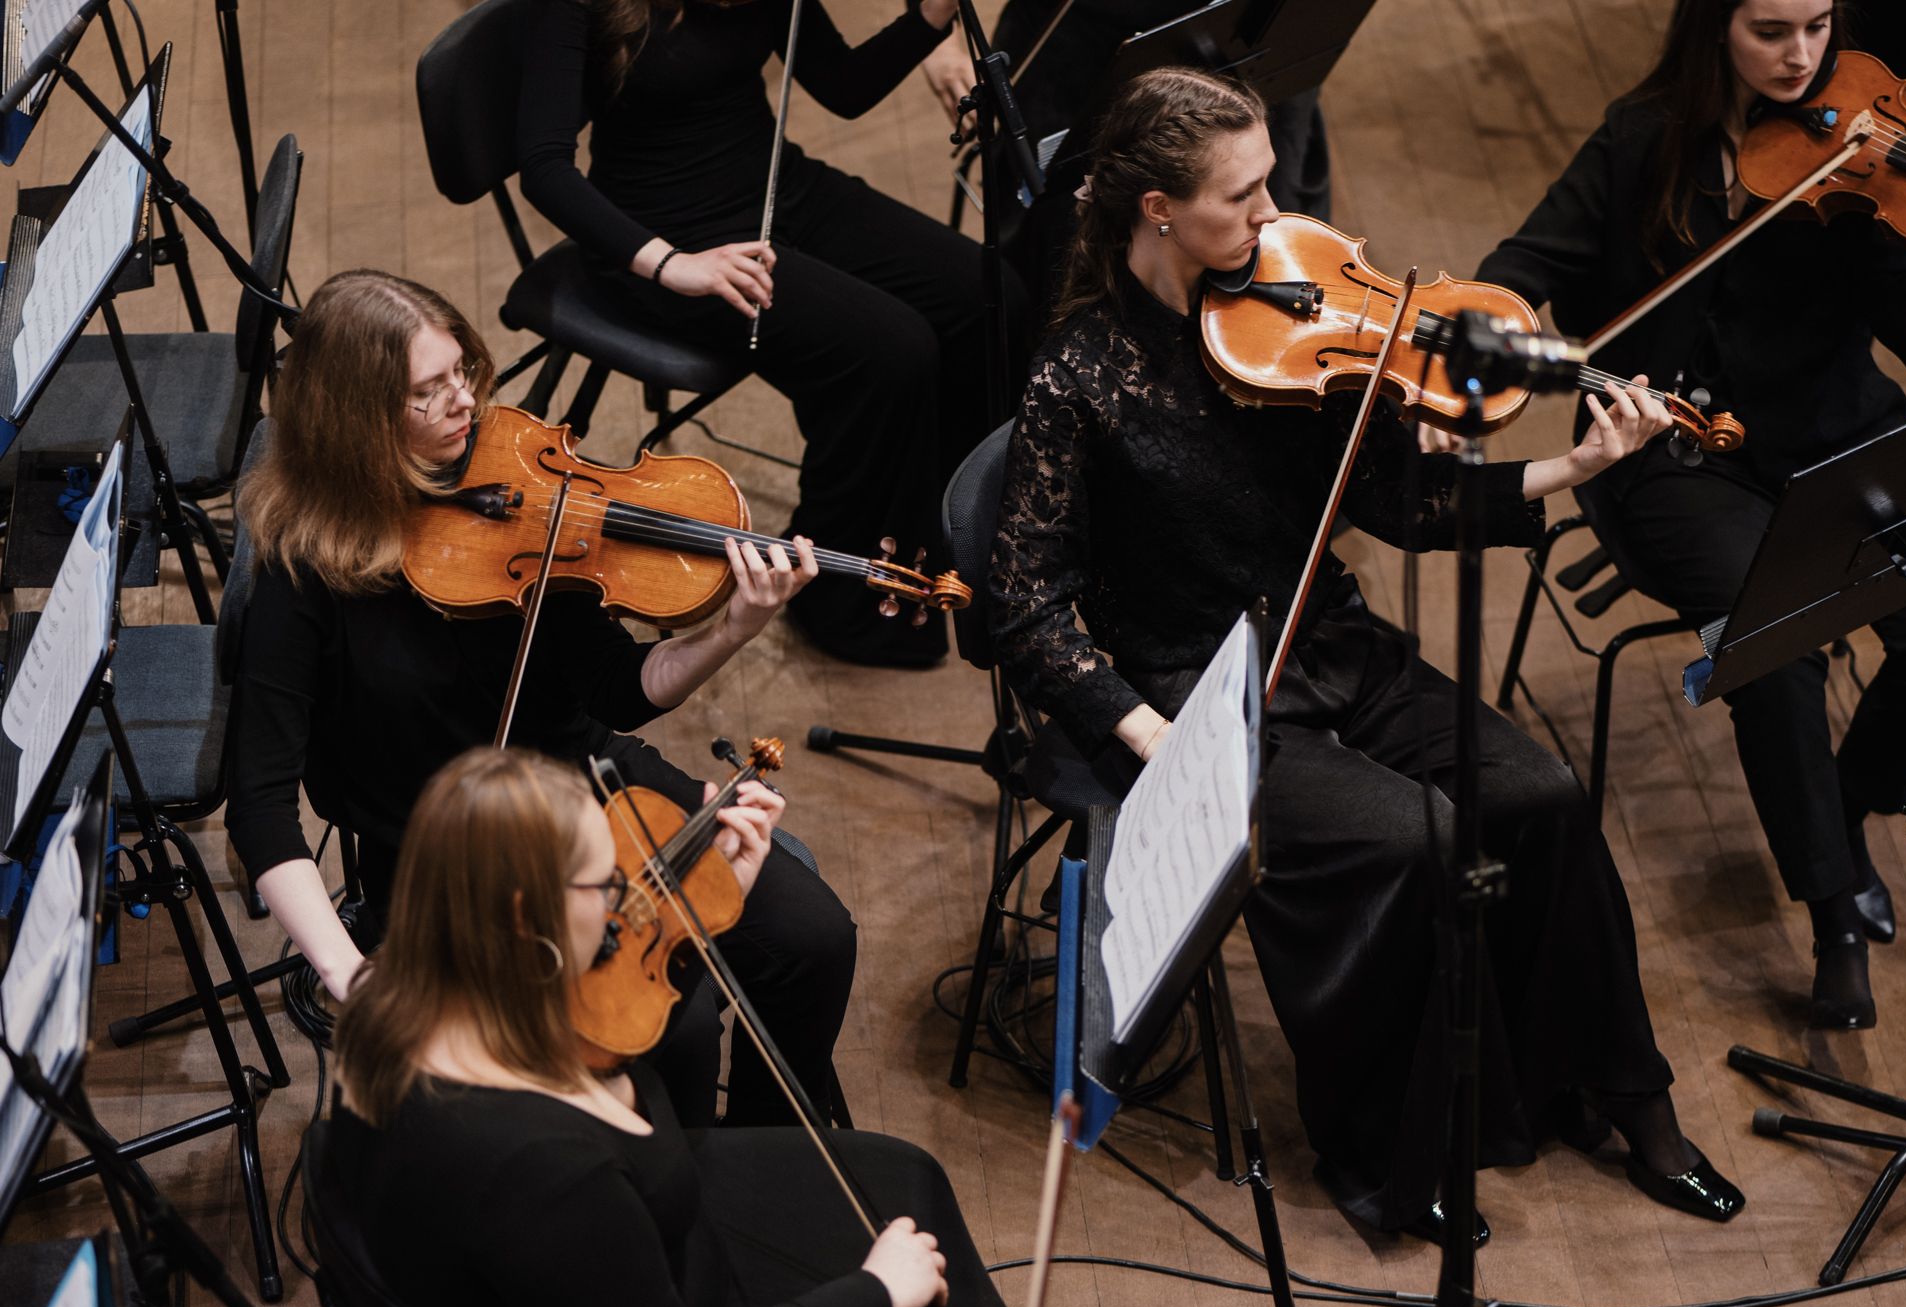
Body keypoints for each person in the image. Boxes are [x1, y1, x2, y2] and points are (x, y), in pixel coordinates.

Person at [989, 65, 1745, 1243]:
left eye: (1269, 182)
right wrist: (1149, 735)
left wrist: (1575, 468)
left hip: (1330, 642)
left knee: (1540, 794)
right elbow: (1024, 604)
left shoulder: (1296, 312)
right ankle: (1387, 1147)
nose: (1272, 214)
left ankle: (1614, 1092)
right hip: (1197, 687)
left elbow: (1401, 501)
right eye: (1240, 197)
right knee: (1413, 837)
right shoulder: (1076, 379)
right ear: (1156, 210)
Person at [1472, 0, 1906, 1030]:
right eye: (1770, 31)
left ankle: (1847, 804)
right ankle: (1831, 911)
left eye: (1817, 26)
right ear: (1714, 26)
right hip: (1671, 455)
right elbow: (1526, 264)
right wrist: (1482, 330)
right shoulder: (1642, 139)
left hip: (1833, 436)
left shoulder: (1859, 145)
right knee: (1775, 647)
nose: (1801, 56)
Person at [226, 269, 854, 1128]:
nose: (465, 401)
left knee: (814, 940)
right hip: (453, 849)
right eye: (427, 391)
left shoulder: (515, 485)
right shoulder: (300, 574)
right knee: (674, 1028)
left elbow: (617, 689)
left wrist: (733, 627)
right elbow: (261, 810)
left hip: (587, 780)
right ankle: (667, 1184)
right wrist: (352, 976)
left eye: (462, 371)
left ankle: (760, 1156)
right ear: (357, 420)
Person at [328, 745, 1022, 1307]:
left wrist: (709, 909)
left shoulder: (422, 997)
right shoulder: (546, 1172)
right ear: (523, 915)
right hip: (673, 1305)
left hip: (651, 1240)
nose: (629, 900)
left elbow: (621, 1024)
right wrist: (875, 1291)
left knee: (910, 1173)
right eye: (607, 883)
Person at [517, 0, 1028, 668]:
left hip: (778, 186)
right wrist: (672, 265)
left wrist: (928, 17)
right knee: (891, 352)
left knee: (988, 296)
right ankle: (836, 591)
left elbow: (841, 85)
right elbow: (544, 167)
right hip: (665, 232)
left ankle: (947, 524)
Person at [918, 0, 1334, 310]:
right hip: (1084, 46)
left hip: (1251, 26)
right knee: (1065, 248)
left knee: (1270, 233)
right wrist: (938, 41)